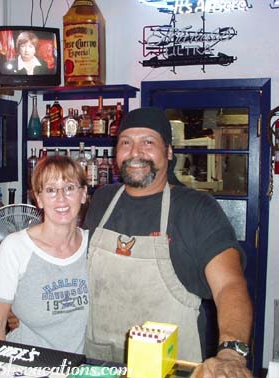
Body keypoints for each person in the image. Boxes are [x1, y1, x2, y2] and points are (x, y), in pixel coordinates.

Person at [82, 107, 253, 377]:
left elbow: (230, 286)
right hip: (99, 363)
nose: (135, 152)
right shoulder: (102, 200)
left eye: (148, 142)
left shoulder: (197, 208)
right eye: (126, 142)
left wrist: (231, 353)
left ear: (169, 152)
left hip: (171, 367)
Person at [0, 155, 89, 354]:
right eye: (50, 190)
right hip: (25, 365)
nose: (61, 198)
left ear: (83, 194)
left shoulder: (93, 246)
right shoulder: (15, 248)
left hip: (79, 368)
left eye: (69, 188)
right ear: (39, 199)